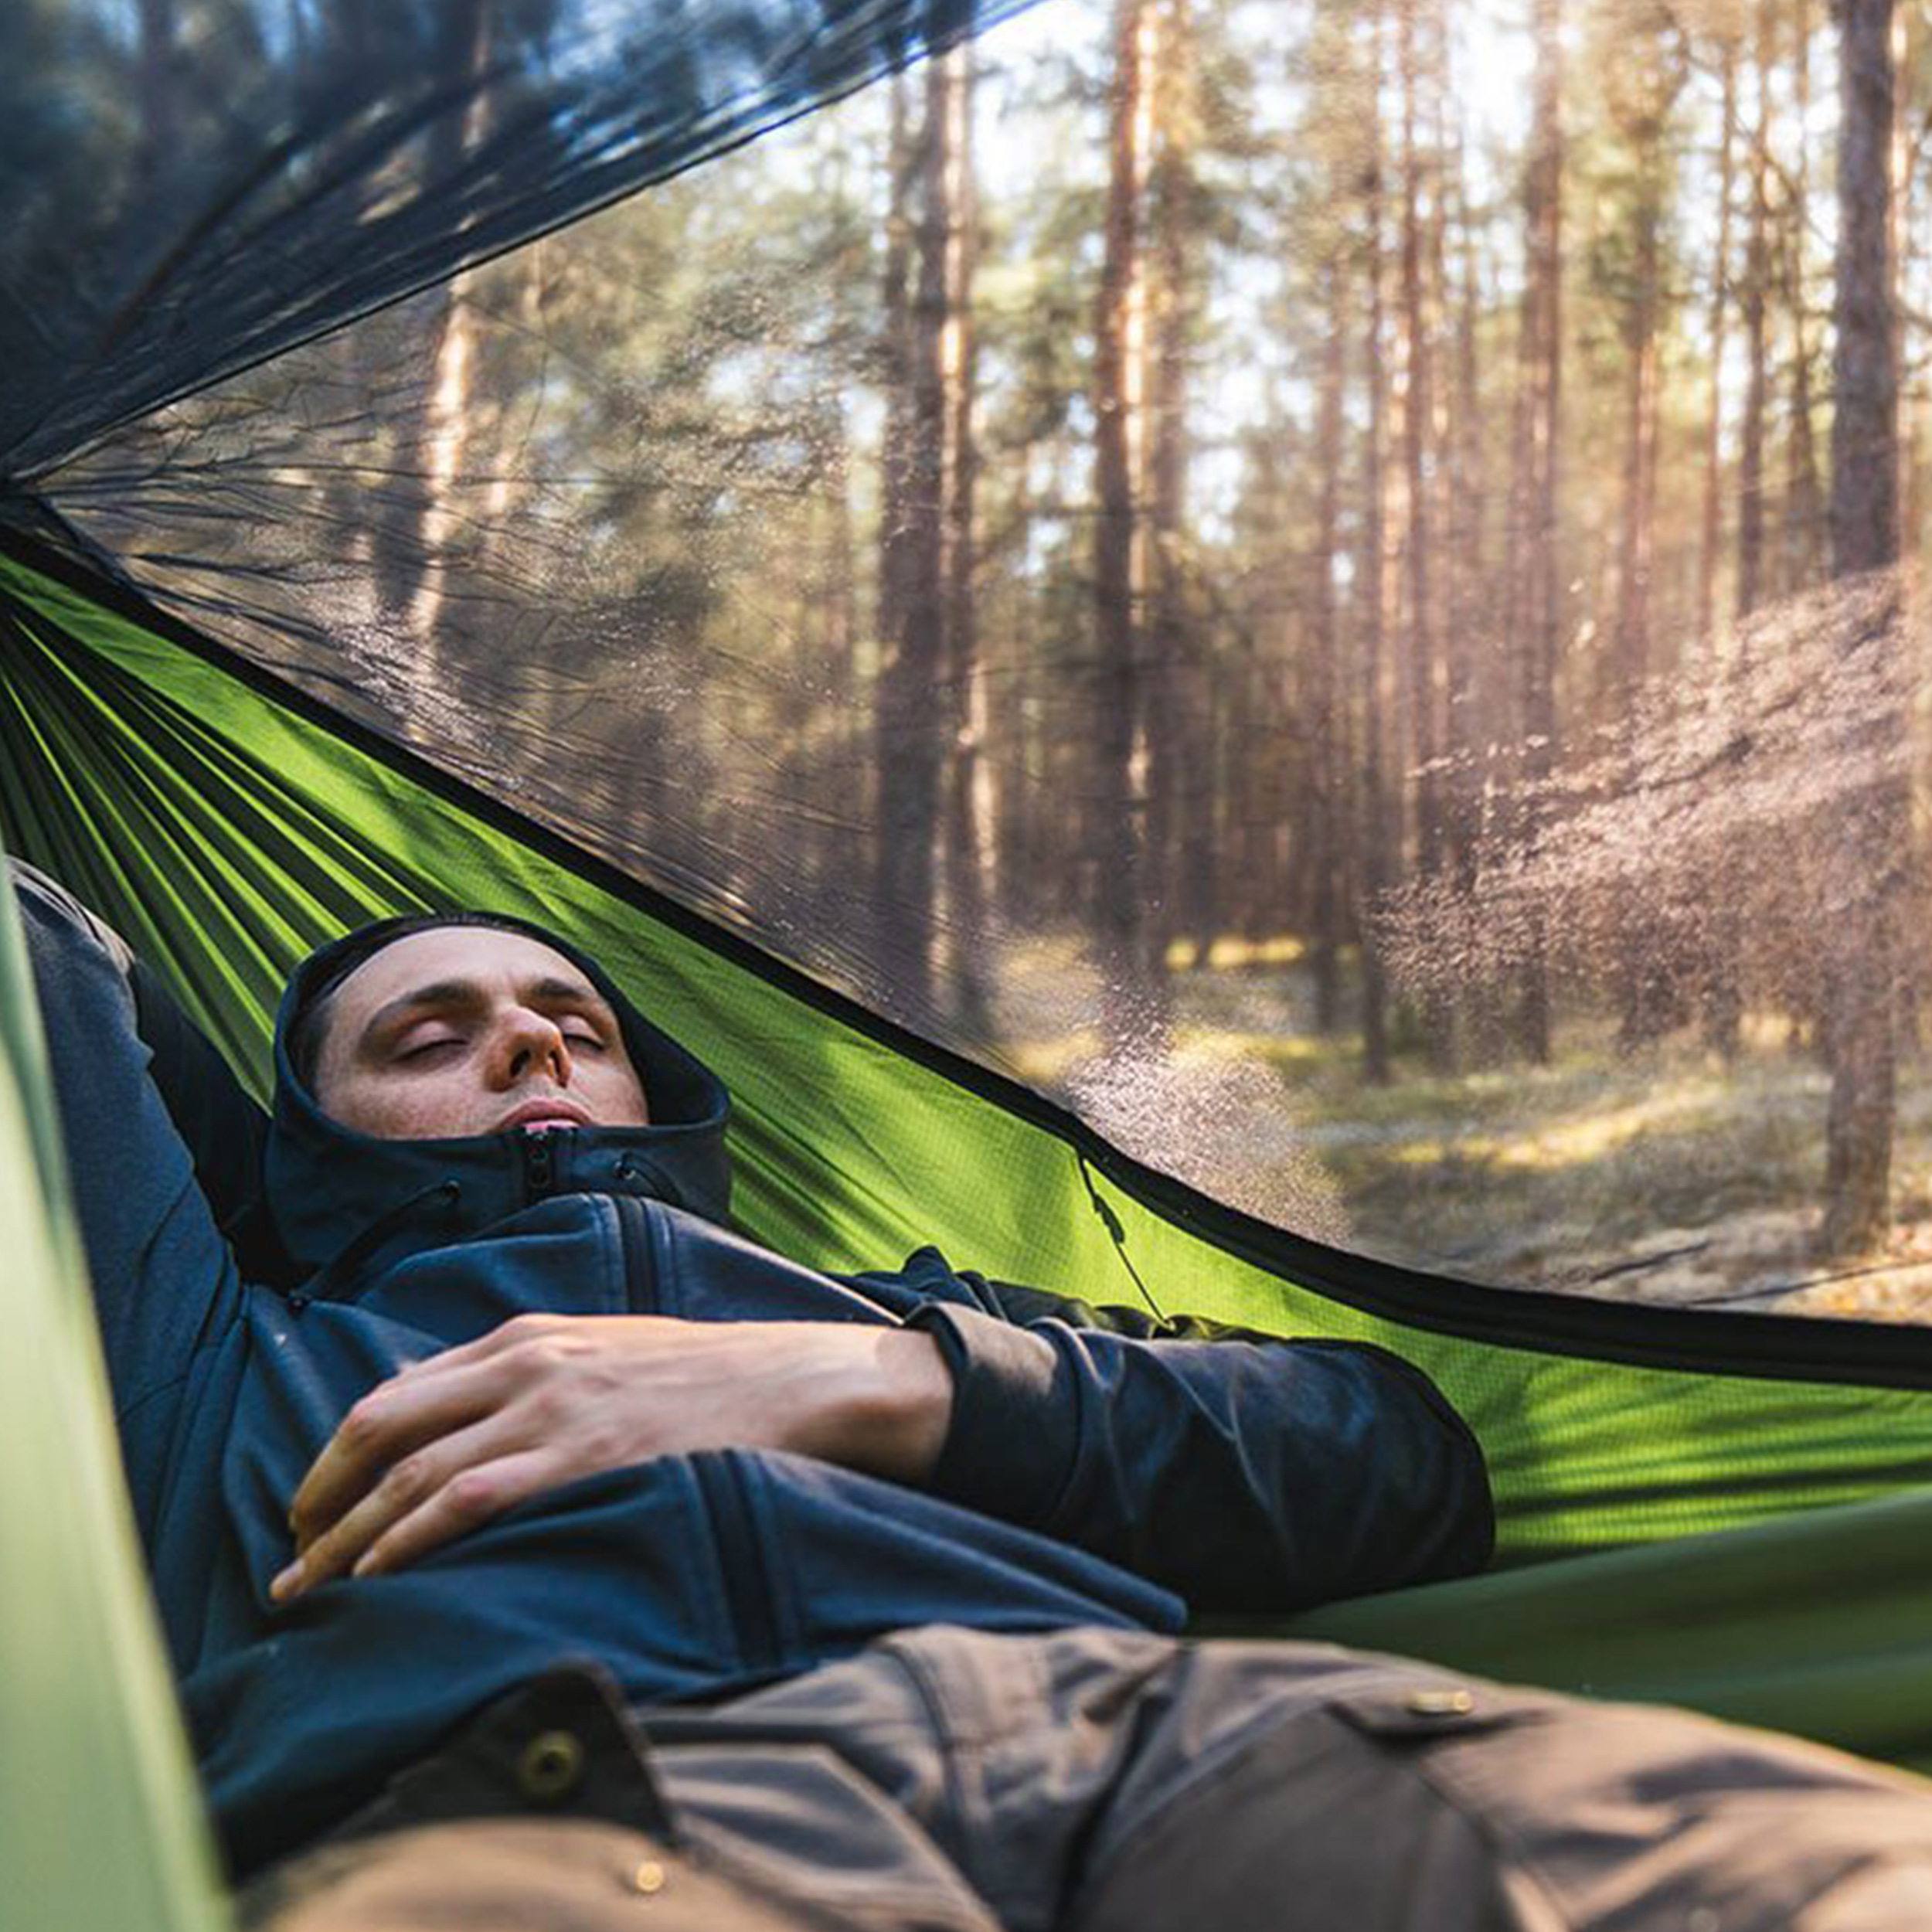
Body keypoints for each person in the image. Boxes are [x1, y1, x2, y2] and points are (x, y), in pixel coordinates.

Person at [19, 861, 1932, 1932]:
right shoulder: (221, 1362)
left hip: (1156, 1742)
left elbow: (1392, 1455)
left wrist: (865, 1377)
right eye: (420, 1038)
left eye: (567, 1018)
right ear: (303, 1145)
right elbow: (51, 943)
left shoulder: (917, 1312)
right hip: (559, 1819)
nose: (522, 1036)